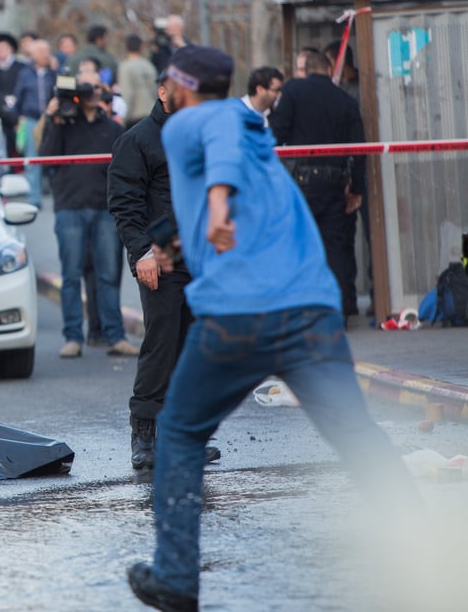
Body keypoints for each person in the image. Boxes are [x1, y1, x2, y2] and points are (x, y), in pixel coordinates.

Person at [126, 45, 417, 612]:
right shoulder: (254, 126)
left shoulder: (191, 123)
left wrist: (214, 206)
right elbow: (228, 164)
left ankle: (177, 579)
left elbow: (219, 157)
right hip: (310, 306)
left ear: (181, 87)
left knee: (180, 432)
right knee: (356, 433)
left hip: (240, 311)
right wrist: (169, 238)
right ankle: (421, 550)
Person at [107, 67, 220, 471]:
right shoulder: (136, 141)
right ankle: (144, 436)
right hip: (160, 257)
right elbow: (125, 205)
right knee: (162, 342)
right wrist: (142, 254)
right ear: (161, 92)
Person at [38, 71, 135, 358]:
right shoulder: (64, 124)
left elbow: (125, 167)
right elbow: (46, 158)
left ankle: (115, 336)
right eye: (85, 88)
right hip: (70, 207)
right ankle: (72, 337)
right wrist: (52, 117)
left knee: (109, 274)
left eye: (95, 87)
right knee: (71, 275)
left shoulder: (111, 128)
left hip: (105, 208)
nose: (90, 92)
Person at [271, 49, 365, 320]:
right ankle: (336, 314)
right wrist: (356, 188)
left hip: (302, 185)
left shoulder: (293, 91)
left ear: (308, 69)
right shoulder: (346, 100)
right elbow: (359, 148)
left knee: (299, 246)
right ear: (328, 69)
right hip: (336, 185)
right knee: (335, 249)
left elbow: (276, 134)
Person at [13, 39, 56, 206]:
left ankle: (56, 195)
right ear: (34, 55)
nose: (46, 55)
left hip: (50, 120)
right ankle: (34, 198)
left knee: (53, 156)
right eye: (42, 52)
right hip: (31, 119)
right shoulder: (25, 73)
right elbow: (19, 96)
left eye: (47, 51)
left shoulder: (53, 73)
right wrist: (18, 118)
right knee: (32, 159)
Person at [118, 34, 159, 126]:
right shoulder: (149, 66)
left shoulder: (125, 67)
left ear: (126, 47)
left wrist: (123, 119)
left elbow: (127, 94)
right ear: (141, 47)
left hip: (135, 116)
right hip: (151, 113)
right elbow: (155, 91)